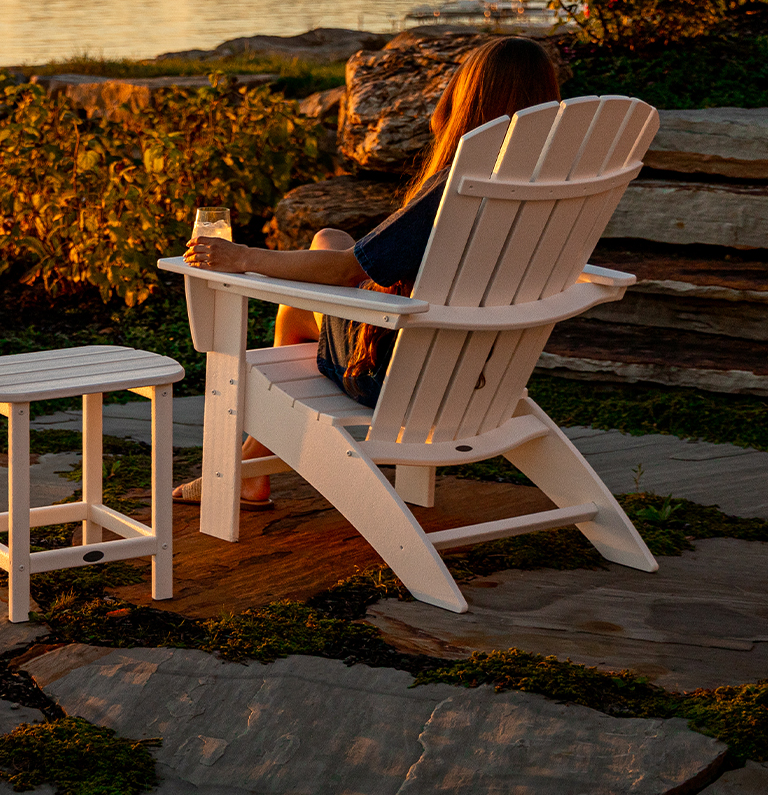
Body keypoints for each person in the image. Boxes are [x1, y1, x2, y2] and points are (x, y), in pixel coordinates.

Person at [174, 36, 563, 508]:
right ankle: (250, 470)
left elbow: (343, 272)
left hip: (401, 379)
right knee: (329, 236)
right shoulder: (553, 183)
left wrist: (243, 257)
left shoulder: (464, 182)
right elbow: (353, 257)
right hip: (483, 372)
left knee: (298, 306)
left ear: (467, 97)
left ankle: (248, 472)